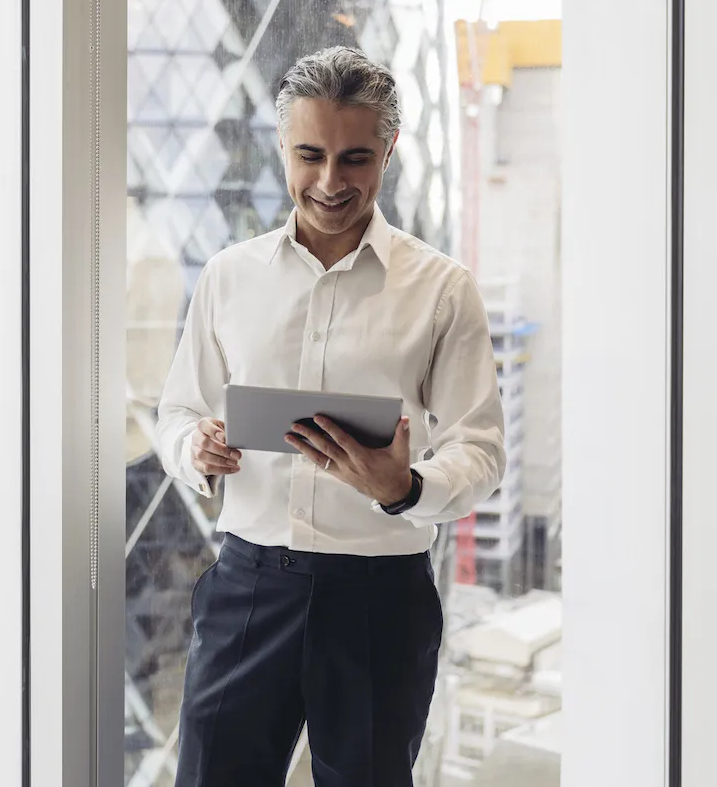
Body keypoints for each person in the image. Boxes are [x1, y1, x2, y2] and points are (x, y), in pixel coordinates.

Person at [156, 46, 506, 787]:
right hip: (248, 589)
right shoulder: (229, 276)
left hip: (379, 600)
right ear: (283, 145)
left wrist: (403, 485)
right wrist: (197, 447)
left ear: (389, 150)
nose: (329, 181)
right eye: (309, 154)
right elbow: (178, 408)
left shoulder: (443, 290)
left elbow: (480, 450)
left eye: (355, 158)